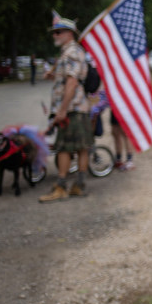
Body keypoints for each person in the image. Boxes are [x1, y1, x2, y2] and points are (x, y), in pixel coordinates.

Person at [39, 15, 92, 202]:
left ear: (70, 33)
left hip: (72, 109)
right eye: (54, 32)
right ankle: (79, 185)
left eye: (58, 31)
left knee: (63, 148)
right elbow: (67, 79)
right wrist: (53, 76)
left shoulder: (71, 52)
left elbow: (71, 82)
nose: (55, 35)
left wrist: (62, 110)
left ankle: (62, 187)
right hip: (77, 107)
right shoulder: (70, 52)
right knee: (81, 147)